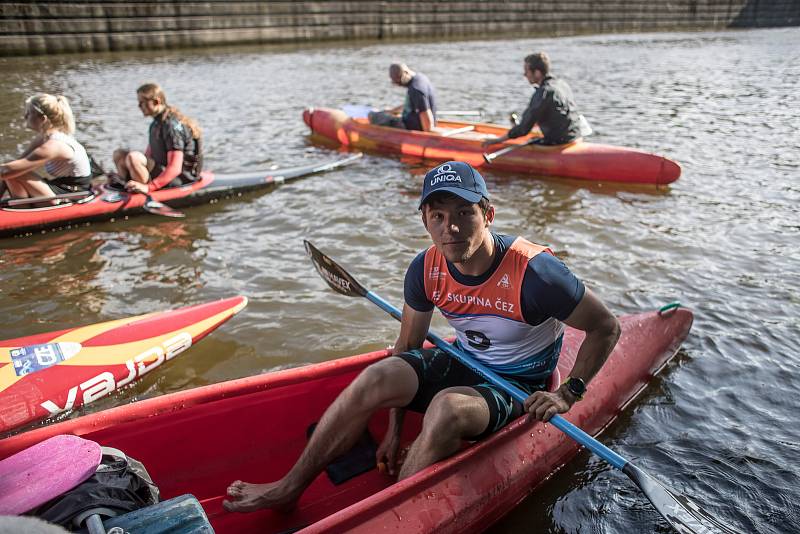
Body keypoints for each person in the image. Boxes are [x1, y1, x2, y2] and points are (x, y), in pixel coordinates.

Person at [222, 161, 621, 513]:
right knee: (379, 375)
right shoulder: (425, 268)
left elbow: (606, 326)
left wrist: (568, 392)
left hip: (518, 385)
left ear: (489, 215)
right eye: (438, 215)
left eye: (465, 213)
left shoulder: (537, 274)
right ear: (425, 220)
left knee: (446, 408)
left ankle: (386, 517)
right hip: (465, 360)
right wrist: (395, 431)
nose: (451, 228)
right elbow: (408, 349)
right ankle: (288, 489)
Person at [0, 94, 92, 203]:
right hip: (61, 187)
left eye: (29, 113)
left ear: (43, 119)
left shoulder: (53, 146)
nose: (25, 116)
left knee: (15, 172)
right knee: (13, 170)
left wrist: (6, 173)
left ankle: (21, 208)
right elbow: (16, 164)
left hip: (75, 195)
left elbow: (7, 171)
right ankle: (19, 206)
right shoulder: (45, 137)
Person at [113, 83, 203, 194]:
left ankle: (141, 192)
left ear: (156, 102)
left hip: (180, 179)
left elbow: (175, 168)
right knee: (119, 154)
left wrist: (150, 187)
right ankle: (126, 184)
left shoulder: (171, 126)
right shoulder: (155, 124)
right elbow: (148, 156)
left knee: (133, 157)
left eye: (142, 103)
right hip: (163, 172)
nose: (139, 106)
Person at [483, 51, 582, 147]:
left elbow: (523, 129)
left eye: (527, 71)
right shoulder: (562, 84)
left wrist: (498, 140)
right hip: (576, 137)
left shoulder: (543, 93)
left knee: (529, 139)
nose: (525, 75)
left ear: (537, 73)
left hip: (560, 143)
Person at [368, 63, 437, 132]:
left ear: (405, 73)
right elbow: (415, 103)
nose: (398, 84)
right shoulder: (420, 77)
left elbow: (426, 116)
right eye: (394, 82)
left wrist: (427, 135)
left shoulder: (416, 90)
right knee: (385, 113)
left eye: (399, 81)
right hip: (413, 120)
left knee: (372, 115)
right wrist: (392, 111)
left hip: (409, 126)